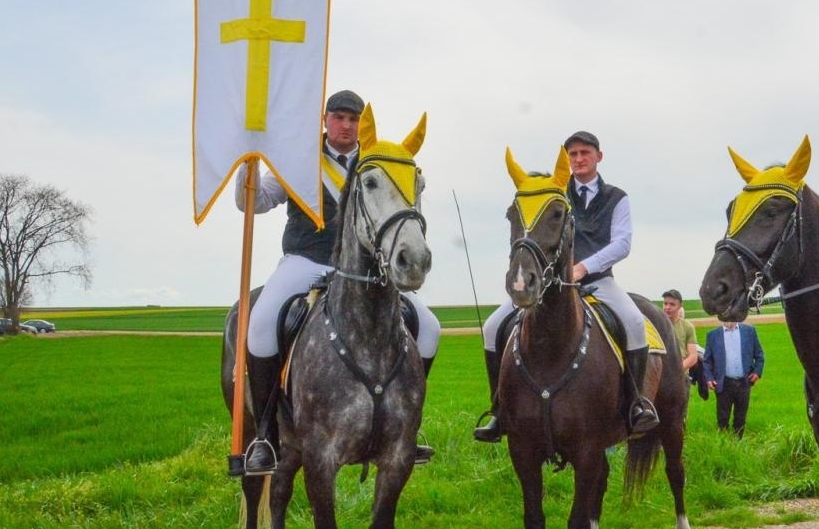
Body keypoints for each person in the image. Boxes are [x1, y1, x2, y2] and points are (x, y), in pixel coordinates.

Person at [237, 89, 441, 474]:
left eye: (353, 119)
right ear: (325, 120)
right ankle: (266, 434)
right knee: (262, 326)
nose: (346, 125)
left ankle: (408, 426)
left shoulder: (376, 161)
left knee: (429, 328)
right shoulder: (298, 160)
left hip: (363, 270)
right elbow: (258, 201)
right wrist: (247, 167)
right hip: (306, 260)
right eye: (339, 117)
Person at [475, 130, 660, 442]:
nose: (578, 159)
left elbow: (622, 243)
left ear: (599, 156)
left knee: (633, 322)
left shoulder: (617, 197)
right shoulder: (553, 192)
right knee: (493, 327)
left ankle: (636, 404)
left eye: (585, 153)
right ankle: (499, 410)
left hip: (598, 281)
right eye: (572, 154)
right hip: (548, 284)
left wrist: (584, 267)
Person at [702, 319, 765, 437]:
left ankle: (738, 443)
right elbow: (707, 361)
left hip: (744, 382)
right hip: (723, 383)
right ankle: (724, 444)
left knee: (740, 418)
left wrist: (757, 372)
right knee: (723, 417)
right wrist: (709, 378)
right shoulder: (713, 335)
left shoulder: (749, 331)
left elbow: (759, 356)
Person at [661, 289, 700, 389]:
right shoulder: (656, 325)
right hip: (659, 378)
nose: (667, 307)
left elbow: (693, 356)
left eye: (672, 304)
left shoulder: (688, 327)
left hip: (680, 377)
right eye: (665, 303)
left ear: (680, 306)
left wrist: (675, 370)